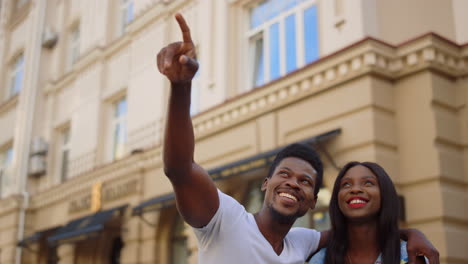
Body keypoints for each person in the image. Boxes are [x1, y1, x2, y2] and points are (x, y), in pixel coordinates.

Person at [157, 13, 439, 264]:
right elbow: (179, 169)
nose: (293, 183)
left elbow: (357, 228)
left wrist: (411, 233)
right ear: (267, 183)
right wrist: (181, 88)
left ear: (312, 202)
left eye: (305, 182)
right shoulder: (226, 219)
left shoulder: (304, 243)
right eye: (285, 174)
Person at [309, 162, 426, 264]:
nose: (355, 189)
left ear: (385, 194)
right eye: (346, 184)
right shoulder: (320, 260)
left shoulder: (409, 256)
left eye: (368, 183)